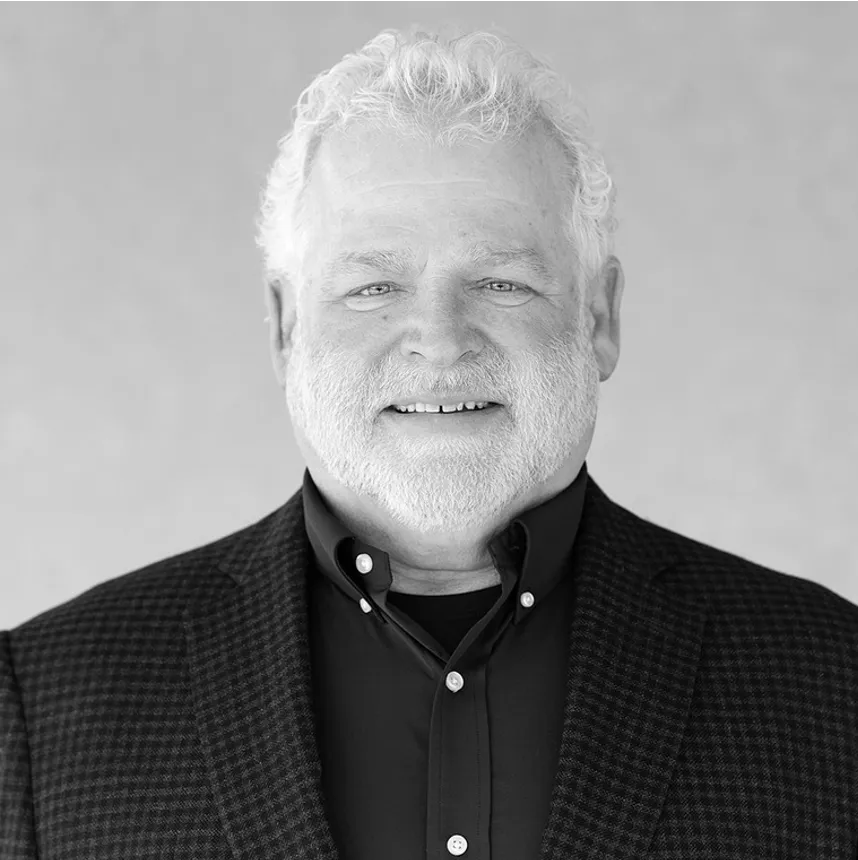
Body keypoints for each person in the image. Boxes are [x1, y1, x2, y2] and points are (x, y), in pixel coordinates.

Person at [2, 24, 857, 860]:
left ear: (599, 318)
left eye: (500, 282)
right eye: (374, 287)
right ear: (285, 327)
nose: (440, 341)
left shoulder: (832, 679)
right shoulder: (42, 705)